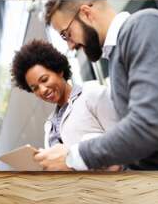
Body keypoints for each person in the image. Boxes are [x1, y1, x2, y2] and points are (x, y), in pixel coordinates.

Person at [34, 0, 158, 171]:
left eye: (66, 34)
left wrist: (73, 156)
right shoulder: (119, 53)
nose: (71, 45)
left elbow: (150, 127)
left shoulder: (145, 26)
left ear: (87, 14)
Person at [11, 40, 120, 170]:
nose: (43, 90)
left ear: (59, 71)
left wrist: (71, 161)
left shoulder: (93, 94)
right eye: (35, 88)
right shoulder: (49, 125)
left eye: (44, 79)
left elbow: (124, 149)